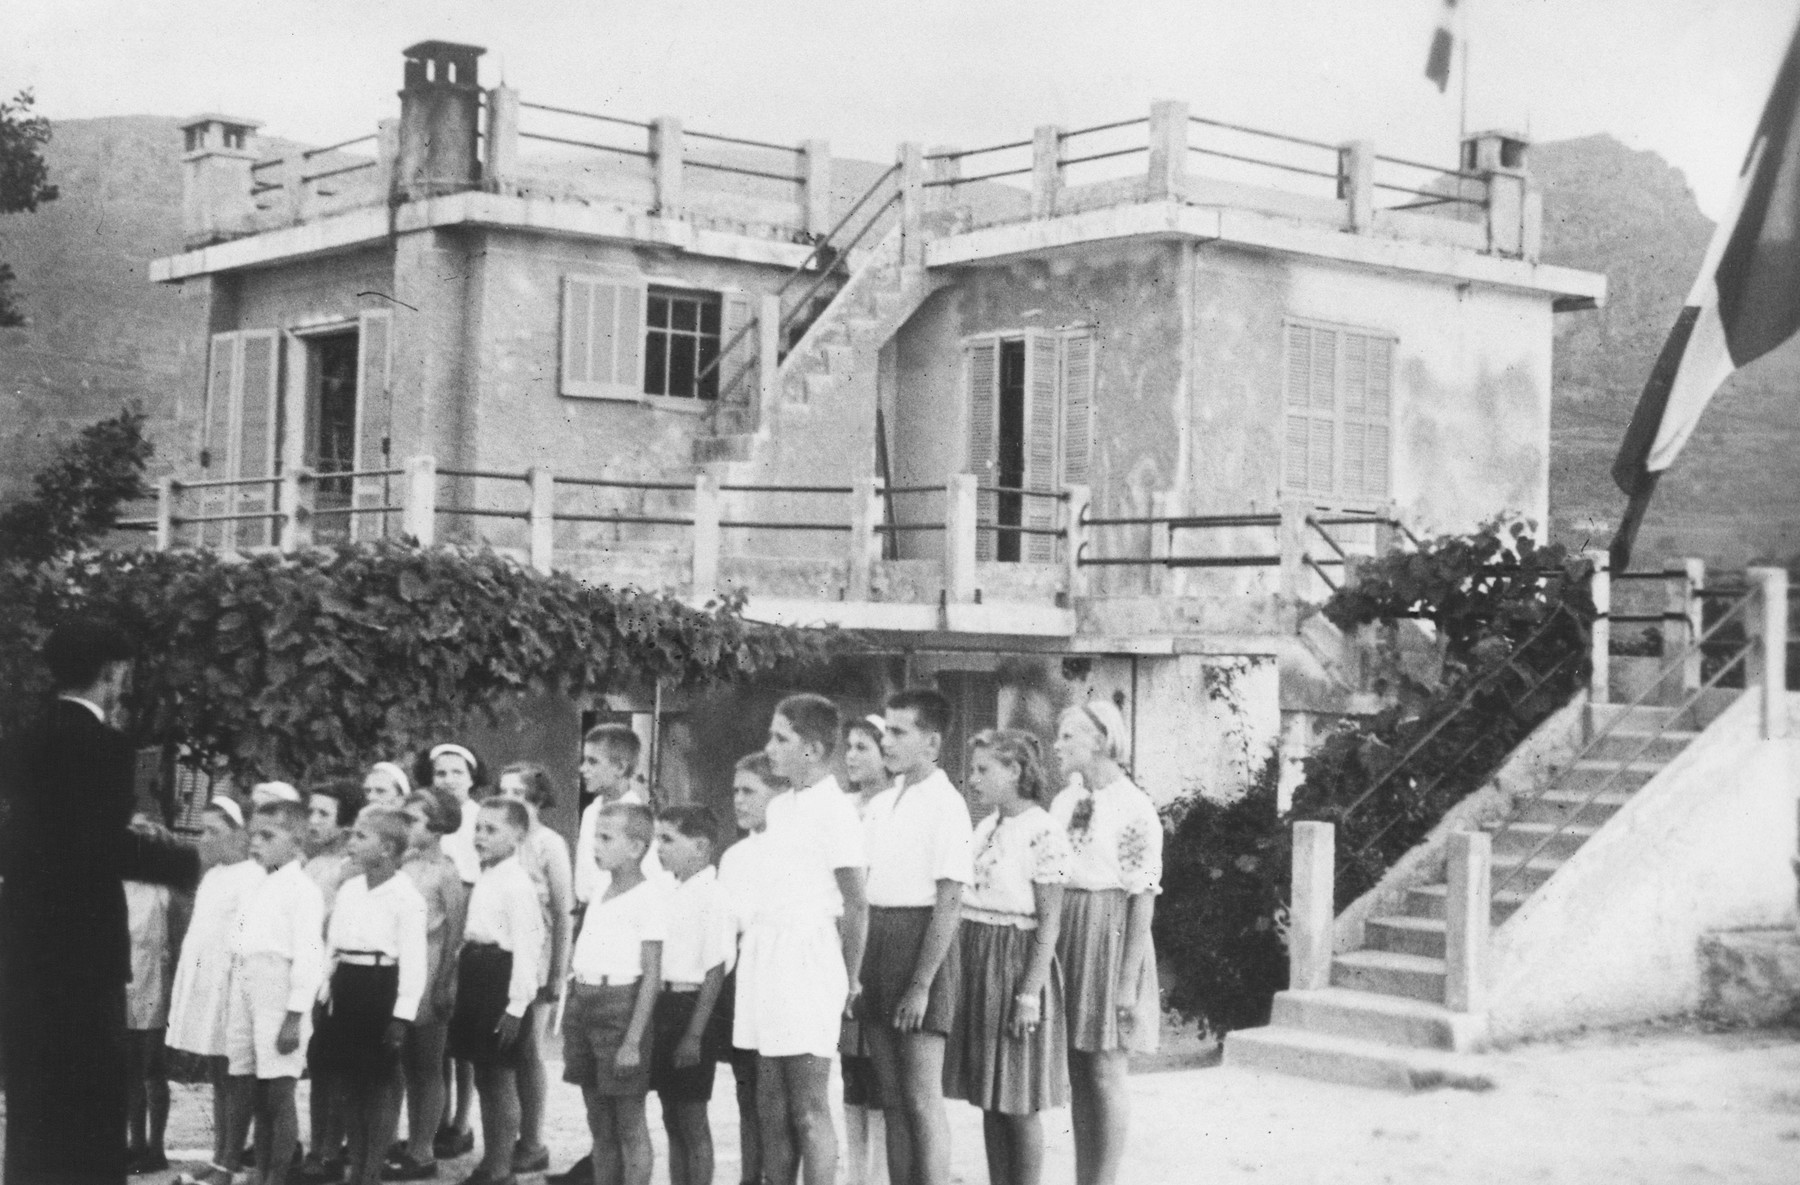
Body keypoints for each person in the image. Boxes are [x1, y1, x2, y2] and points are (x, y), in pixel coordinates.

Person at [0, 619, 203, 1185]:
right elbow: (94, 846)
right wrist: (188, 861)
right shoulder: (104, 746)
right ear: (112, 674)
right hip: (82, 951)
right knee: (90, 1103)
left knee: (34, 1101)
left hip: (25, 951)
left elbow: (41, 836)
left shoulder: (23, 741)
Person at [750, 694, 869, 1185]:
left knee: (808, 1108)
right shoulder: (779, 808)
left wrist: (849, 978)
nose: (770, 747)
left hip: (812, 962)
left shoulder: (836, 811)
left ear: (814, 748)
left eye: (782, 738)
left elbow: (856, 903)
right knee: (772, 1107)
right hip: (772, 959)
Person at [944, 731, 1071, 1185]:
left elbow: (1050, 923)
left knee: (1017, 1099)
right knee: (990, 1096)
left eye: (984, 770)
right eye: (972, 770)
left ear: (1015, 771)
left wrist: (1029, 994)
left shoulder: (1044, 832)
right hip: (978, 960)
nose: (972, 779)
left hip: (1016, 965)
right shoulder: (986, 826)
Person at [1048, 700, 1162, 1185]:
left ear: (1098, 740)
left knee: (1105, 1070)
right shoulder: (1065, 801)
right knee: (1077, 1071)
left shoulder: (1134, 808)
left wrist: (1126, 983)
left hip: (1109, 934)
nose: (1057, 746)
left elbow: (1143, 898)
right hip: (1068, 931)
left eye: (1067, 737)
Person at [861, 690, 972, 1185]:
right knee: (890, 1095)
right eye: (885, 730)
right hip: (877, 941)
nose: (887, 741)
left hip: (920, 945)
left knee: (921, 1095)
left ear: (931, 742)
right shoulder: (884, 803)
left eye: (899, 732)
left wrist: (922, 983)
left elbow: (949, 900)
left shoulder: (948, 805)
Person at [315, 806, 428, 1185]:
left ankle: (370, 1171)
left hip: (380, 986)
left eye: (362, 837)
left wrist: (401, 1016)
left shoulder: (405, 897)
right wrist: (324, 991)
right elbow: (332, 946)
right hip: (345, 985)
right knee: (347, 1083)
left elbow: (414, 962)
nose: (352, 842)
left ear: (387, 848)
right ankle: (354, 1167)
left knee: (377, 1083)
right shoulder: (349, 889)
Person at [227, 798, 327, 1185]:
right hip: (248, 984)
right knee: (253, 1090)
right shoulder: (256, 882)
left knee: (278, 1094)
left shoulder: (303, 889)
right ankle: (260, 1173)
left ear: (297, 840)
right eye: (254, 835)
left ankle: (276, 1177)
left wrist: (294, 1015)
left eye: (268, 836)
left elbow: (309, 956)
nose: (257, 843)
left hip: (280, 991)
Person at [565, 801, 665, 1185]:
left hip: (620, 1009)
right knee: (599, 1123)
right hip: (584, 1003)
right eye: (595, 836)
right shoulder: (600, 891)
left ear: (637, 847)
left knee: (629, 1123)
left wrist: (633, 1041)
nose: (596, 845)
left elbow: (652, 974)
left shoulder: (648, 897)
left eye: (607, 838)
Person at [168, 797, 264, 1185]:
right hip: (207, 985)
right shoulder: (211, 877)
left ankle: (230, 1161)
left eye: (214, 831)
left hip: (231, 988)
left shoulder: (252, 877)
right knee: (218, 1076)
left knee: (234, 1074)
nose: (203, 839)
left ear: (240, 834)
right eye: (202, 830)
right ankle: (220, 1155)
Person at [450, 798, 545, 1185]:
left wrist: (517, 1006)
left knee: (499, 1075)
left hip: (500, 980)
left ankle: (501, 1166)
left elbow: (527, 947)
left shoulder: (518, 883)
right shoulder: (489, 875)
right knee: (484, 1076)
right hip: (477, 973)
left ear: (517, 836)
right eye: (478, 828)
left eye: (492, 830)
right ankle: (492, 1158)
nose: (481, 837)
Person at [495, 763, 574, 1177]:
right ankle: (502, 1137)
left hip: (537, 960)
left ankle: (532, 1139)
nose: (512, 802)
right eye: (504, 792)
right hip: (500, 960)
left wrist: (556, 975)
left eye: (521, 794)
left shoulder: (549, 844)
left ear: (539, 800)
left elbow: (563, 913)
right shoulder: (499, 839)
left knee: (527, 1051)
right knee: (499, 1054)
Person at [386, 789, 470, 1182]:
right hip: (397, 969)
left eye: (414, 820)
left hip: (430, 967)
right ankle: (393, 1139)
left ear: (437, 828)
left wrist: (445, 983)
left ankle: (422, 1148)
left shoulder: (446, 872)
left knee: (427, 1064)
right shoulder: (400, 865)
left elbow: (454, 931)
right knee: (398, 1062)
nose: (406, 827)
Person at [651, 806, 733, 1185]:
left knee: (691, 1118)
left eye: (668, 839)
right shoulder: (670, 890)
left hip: (692, 1009)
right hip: (663, 1006)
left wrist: (694, 1035)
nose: (658, 848)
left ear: (700, 846)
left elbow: (715, 971)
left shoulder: (714, 896)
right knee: (670, 1115)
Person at [715, 755, 784, 1185]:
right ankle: (748, 1177)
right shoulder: (734, 856)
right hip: (740, 979)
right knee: (746, 1091)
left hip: (779, 976)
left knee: (776, 1096)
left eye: (750, 791)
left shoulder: (793, 850)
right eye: (736, 791)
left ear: (777, 796)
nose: (738, 800)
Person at [301, 780, 365, 1185]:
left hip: (338, 973)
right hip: (310, 972)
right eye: (311, 812)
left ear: (345, 824)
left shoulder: (350, 867)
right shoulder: (312, 863)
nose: (313, 821)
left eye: (324, 814)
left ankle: (330, 1150)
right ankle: (316, 1145)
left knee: (338, 1068)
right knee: (318, 1064)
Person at [837, 716, 892, 1185]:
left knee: (879, 1070)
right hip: (845, 939)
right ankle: (856, 1174)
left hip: (882, 940)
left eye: (863, 747)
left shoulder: (896, 806)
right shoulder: (843, 806)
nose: (852, 755)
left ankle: (877, 1177)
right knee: (851, 1069)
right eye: (849, 746)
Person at [428, 743, 487, 1160]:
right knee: (436, 1043)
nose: (448, 779)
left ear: (471, 776)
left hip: (466, 927)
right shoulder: (431, 817)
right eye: (440, 772)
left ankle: (461, 1122)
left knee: (460, 1041)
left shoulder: (479, 819)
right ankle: (437, 1119)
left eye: (456, 772)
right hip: (435, 929)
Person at [125, 809, 178, 1175]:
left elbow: (172, 943)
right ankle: (135, 1143)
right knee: (128, 1070)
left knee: (151, 1070)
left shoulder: (165, 894)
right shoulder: (120, 886)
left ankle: (156, 1148)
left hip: (154, 985)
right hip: (124, 985)